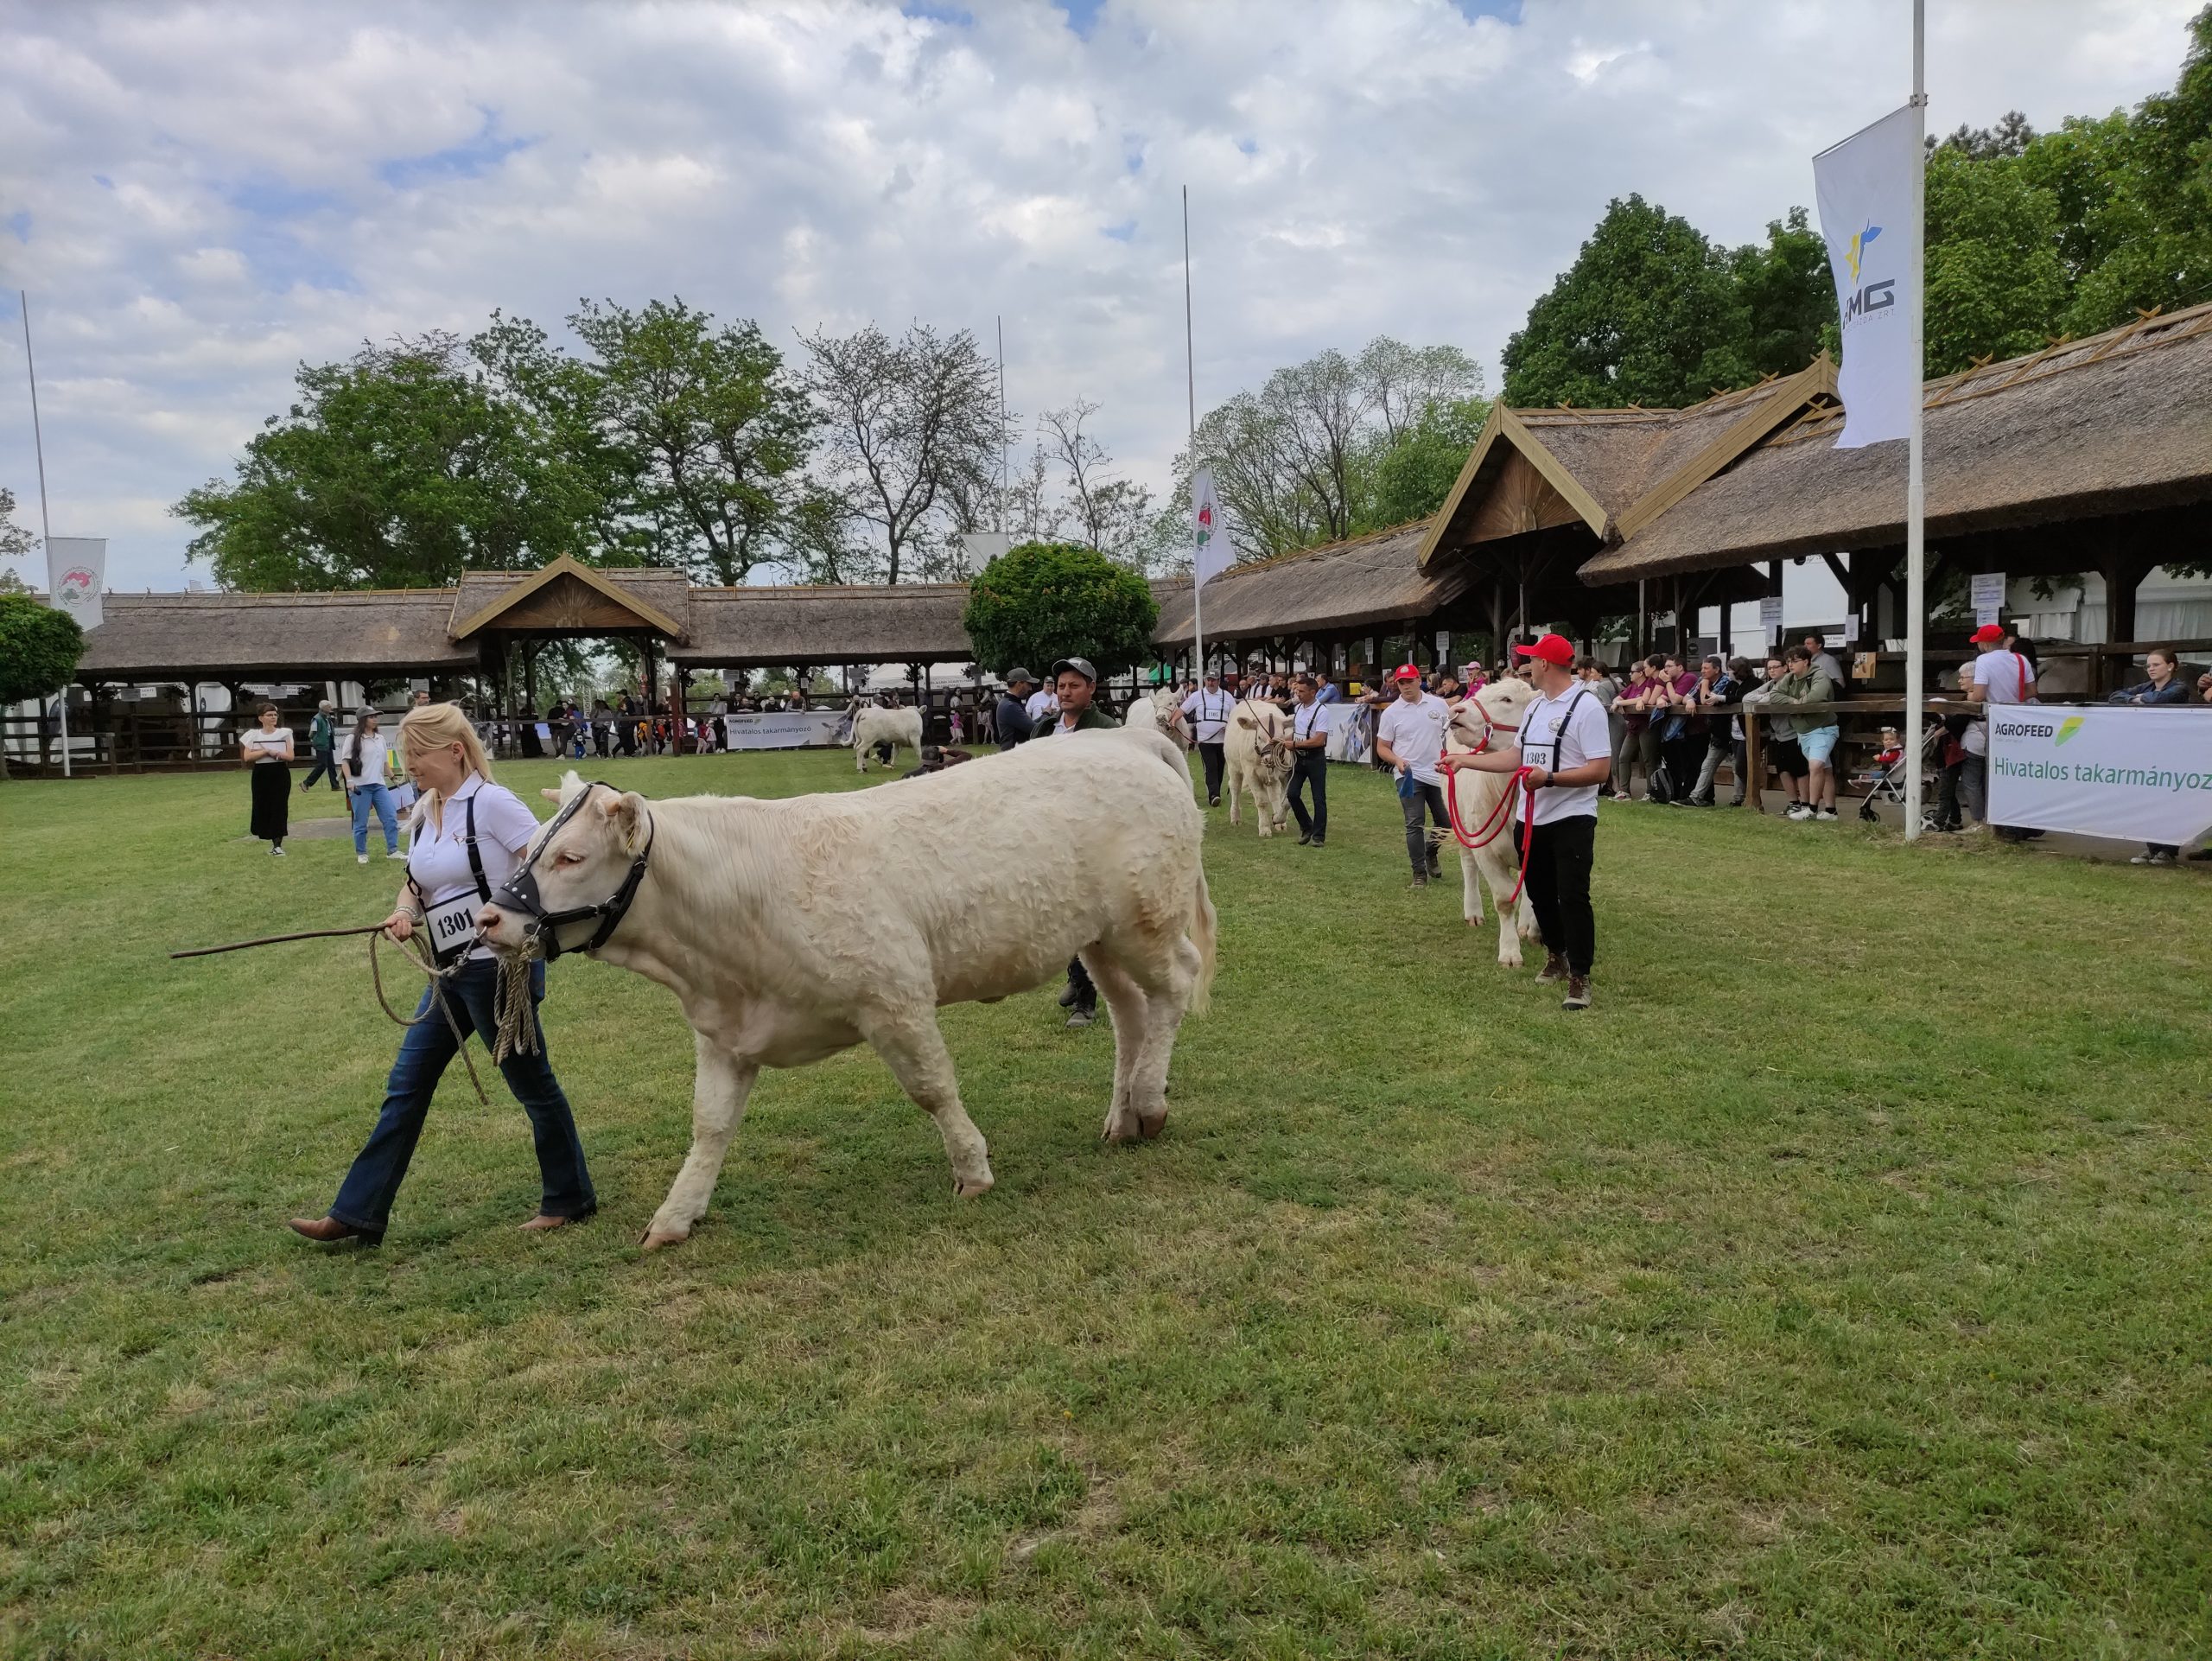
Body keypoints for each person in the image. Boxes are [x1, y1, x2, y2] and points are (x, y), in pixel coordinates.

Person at [288, 702, 596, 1246]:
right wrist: (404, 911)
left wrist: (507, 920)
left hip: (499, 972)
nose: (406, 764)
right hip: (448, 972)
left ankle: (570, 1198)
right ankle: (356, 1213)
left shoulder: (494, 804)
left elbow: (544, 872)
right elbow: (416, 880)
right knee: (405, 1087)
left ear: (454, 751)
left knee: (532, 1086)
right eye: (403, 753)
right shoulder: (424, 808)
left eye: (415, 753)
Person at [1442, 633, 1612, 1010]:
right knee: (1538, 893)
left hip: (1571, 817)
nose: (1527, 666)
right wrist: (1465, 761)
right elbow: (1514, 755)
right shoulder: (1535, 709)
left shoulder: (1587, 708)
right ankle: (1556, 955)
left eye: (1532, 660)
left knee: (1571, 896)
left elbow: (1600, 771)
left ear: (1546, 665)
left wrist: (1548, 779)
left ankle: (1580, 977)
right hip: (1531, 818)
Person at [1033, 658, 1119, 1028]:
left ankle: (1086, 1001)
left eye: (1075, 685)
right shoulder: (1044, 729)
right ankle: (1074, 974)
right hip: (1050, 836)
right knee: (1059, 915)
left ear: (1091, 690)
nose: (1066, 692)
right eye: (1062, 685)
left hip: (1089, 837)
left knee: (1087, 920)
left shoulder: (1106, 731)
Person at [2111, 648, 2193, 862]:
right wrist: (2136, 699)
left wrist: (2141, 698)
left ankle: (2168, 849)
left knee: (2170, 801)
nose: (2151, 669)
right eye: (2148, 665)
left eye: (2156, 665)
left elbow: (2163, 698)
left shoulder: (2179, 688)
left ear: (2170, 666)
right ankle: (2151, 846)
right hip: (2150, 749)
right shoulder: (2146, 686)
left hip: (2173, 750)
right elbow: (2115, 696)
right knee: (2149, 798)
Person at [1375, 664, 1454, 887]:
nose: (1406, 686)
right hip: (1409, 774)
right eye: (1401, 682)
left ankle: (1431, 851)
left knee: (1446, 822)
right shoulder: (1391, 713)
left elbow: (1450, 734)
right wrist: (1397, 761)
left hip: (1438, 771)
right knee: (1414, 822)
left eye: (1409, 681)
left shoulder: (1438, 704)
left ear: (1419, 680)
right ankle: (1419, 873)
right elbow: (1382, 747)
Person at [1967, 623, 2039, 841]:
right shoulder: (2020, 659)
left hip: (1997, 720)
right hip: (2019, 718)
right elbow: (2032, 691)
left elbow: (1979, 695)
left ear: (1985, 643)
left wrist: (1969, 696)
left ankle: (2000, 825)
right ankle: (2023, 822)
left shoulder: (1984, 661)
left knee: (1994, 773)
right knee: (2017, 772)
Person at [1766, 646, 1839, 820]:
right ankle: (1831, 811)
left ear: (1806, 661)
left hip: (1822, 729)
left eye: (1795, 661)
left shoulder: (1819, 675)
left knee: (1815, 766)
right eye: (1789, 661)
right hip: (1803, 731)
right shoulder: (1789, 679)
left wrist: (1799, 707)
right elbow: (1774, 695)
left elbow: (1817, 696)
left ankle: (1811, 809)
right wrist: (1793, 701)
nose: (1791, 665)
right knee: (1825, 770)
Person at [339, 706, 404, 864]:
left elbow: (384, 762)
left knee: (390, 817)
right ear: (362, 720)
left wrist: (394, 778)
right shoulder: (352, 738)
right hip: (360, 786)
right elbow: (345, 762)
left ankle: (393, 850)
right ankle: (362, 853)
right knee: (361, 822)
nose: (375, 719)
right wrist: (349, 781)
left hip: (379, 785)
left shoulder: (379, 738)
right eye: (371, 717)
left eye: (376, 716)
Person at [1683, 656, 1738, 806]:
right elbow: (1686, 697)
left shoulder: (1726, 682)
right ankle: (1696, 797)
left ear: (1717, 669)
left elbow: (1707, 701)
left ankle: (1739, 799)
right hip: (1717, 733)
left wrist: (1705, 685)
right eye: (1702, 668)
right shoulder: (1701, 680)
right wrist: (1689, 701)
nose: (1702, 671)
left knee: (1738, 767)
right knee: (1707, 765)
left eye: (1706, 668)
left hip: (1730, 732)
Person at [241, 703, 295, 856]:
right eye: (269, 715)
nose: (273, 717)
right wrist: (266, 751)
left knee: (279, 806)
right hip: (261, 774)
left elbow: (290, 756)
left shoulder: (284, 733)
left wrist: (275, 753)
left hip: (279, 773)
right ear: (261, 718)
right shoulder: (253, 735)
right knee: (263, 805)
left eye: (275, 714)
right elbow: (247, 756)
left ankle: (277, 844)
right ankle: (266, 834)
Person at [1285, 671, 1330, 847]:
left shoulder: (1321, 712)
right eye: (1297, 691)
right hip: (1299, 759)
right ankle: (1307, 826)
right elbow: (1298, 733)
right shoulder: (1298, 710)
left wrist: (1294, 745)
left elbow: (1320, 739)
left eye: (1301, 691)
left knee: (1319, 798)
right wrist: (1283, 740)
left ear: (1313, 692)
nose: (1298, 694)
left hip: (1315, 758)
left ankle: (1319, 836)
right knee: (1292, 794)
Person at [1181, 671, 1233, 806]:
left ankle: (1216, 792)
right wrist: (1172, 721)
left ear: (1218, 681)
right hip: (1205, 740)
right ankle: (1213, 795)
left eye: (1213, 680)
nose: (1211, 683)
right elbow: (1182, 710)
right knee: (1211, 767)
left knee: (1220, 767)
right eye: (1208, 680)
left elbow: (1235, 714)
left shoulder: (1227, 697)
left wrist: (1230, 725)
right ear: (1205, 681)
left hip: (1224, 740)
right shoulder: (1196, 696)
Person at [299, 699, 342, 793]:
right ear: (323, 708)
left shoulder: (327, 718)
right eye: (329, 706)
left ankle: (335, 785)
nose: (331, 708)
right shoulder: (317, 719)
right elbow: (312, 732)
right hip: (321, 744)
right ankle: (306, 783)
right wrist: (316, 740)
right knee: (322, 765)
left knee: (331, 766)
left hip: (328, 743)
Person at [995, 668, 1038, 749]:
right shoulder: (1010, 706)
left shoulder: (1009, 703)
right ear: (1019, 684)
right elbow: (1035, 728)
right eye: (1028, 684)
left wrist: (1046, 715)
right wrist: (1048, 716)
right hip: (1013, 756)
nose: (1030, 688)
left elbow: (1029, 724)